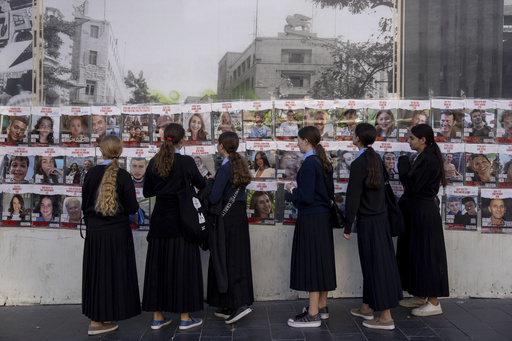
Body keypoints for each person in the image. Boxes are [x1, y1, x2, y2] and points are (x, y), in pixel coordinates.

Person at [142, 123, 206, 331]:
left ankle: (157, 317)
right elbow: (202, 184)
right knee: (183, 268)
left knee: (157, 269)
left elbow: (147, 192)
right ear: (183, 140)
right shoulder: (186, 161)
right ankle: (185, 318)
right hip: (183, 222)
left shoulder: (154, 162)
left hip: (160, 222)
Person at [343, 123, 402, 331]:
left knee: (377, 267)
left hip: (369, 223)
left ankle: (386, 318)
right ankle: (366, 307)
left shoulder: (360, 162)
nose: (352, 136)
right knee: (373, 264)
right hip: (381, 220)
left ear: (358, 138)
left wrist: (347, 226)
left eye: (353, 134)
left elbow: (353, 196)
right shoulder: (376, 157)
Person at [81, 135, 140, 335]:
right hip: (118, 233)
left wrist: (94, 226)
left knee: (98, 275)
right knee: (115, 275)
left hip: (96, 233)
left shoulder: (91, 173)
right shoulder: (123, 176)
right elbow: (132, 207)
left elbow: (84, 205)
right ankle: (106, 317)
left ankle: (97, 321)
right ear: (120, 151)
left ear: (101, 150)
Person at [284, 126, 336, 328]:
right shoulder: (323, 162)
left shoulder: (308, 165)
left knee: (312, 263)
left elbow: (304, 197)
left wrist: (291, 190)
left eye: (298, 139)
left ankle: (313, 314)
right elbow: (327, 193)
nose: (297, 143)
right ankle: (321, 307)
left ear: (306, 140)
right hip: (323, 218)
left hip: (311, 218)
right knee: (322, 261)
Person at [396, 123, 449, 317]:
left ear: (422, 140)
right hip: (416, 213)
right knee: (415, 255)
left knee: (427, 256)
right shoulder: (423, 157)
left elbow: (412, 185)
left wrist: (402, 165)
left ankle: (434, 302)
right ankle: (420, 294)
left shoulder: (430, 160)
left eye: (411, 138)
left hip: (424, 214)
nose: (408, 141)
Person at [207, 131, 254, 324]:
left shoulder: (225, 168)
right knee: (237, 258)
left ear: (221, 146)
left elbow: (213, 197)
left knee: (226, 259)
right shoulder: (239, 164)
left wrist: (210, 181)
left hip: (226, 220)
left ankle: (237, 305)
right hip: (239, 216)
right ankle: (230, 303)